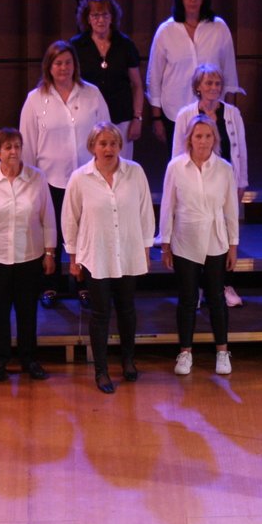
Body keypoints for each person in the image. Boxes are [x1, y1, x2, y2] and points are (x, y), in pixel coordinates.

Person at [63, 122, 156, 394]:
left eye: (113, 143)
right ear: (92, 147)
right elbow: (71, 220)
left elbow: (145, 212)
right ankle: (101, 370)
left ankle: (128, 360)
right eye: (103, 143)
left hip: (127, 251)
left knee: (127, 309)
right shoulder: (80, 178)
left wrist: (146, 250)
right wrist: (73, 258)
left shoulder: (134, 172)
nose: (109, 148)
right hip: (96, 254)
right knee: (100, 313)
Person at [20, 40, 110, 307]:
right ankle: (50, 285)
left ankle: (83, 284)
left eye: (68, 62)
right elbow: (28, 142)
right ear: (49, 66)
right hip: (50, 179)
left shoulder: (91, 93)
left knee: (85, 231)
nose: (63, 68)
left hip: (87, 178)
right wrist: (29, 181)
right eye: (58, 63)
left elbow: (106, 132)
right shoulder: (35, 99)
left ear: (75, 65)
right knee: (53, 234)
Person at [0, 128, 57, 382]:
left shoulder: (36, 177)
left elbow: (48, 218)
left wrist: (50, 252)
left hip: (29, 256)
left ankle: (29, 359)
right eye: (8, 147)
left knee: (28, 311)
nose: (14, 151)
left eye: (17, 146)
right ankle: (0, 359)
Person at [159, 115, 239, 376]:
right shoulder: (176, 167)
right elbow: (168, 206)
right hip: (185, 238)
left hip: (216, 239)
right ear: (189, 139)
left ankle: (222, 351)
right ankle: (184, 352)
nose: (203, 141)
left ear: (214, 138)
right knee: (187, 298)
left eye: (207, 136)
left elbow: (230, 210)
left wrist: (233, 245)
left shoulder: (224, 168)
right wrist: (166, 243)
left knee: (216, 296)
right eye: (198, 136)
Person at [172, 63, 249, 307]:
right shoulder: (186, 114)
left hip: (223, 181)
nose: (213, 88)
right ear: (198, 86)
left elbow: (241, 150)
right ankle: (196, 288)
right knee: (195, 234)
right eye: (208, 83)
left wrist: (241, 181)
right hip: (194, 181)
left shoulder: (232, 113)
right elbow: (177, 151)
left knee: (223, 234)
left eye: (217, 83)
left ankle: (223, 285)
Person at [145, 0, 242, 145]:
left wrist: (230, 113)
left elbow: (229, 73)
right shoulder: (166, 30)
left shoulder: (219, 28)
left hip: (213, 111)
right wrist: (156, 118)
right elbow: (154, 77)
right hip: (174, 111)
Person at [70, 0, 145, 159]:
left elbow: (137, 85)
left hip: (121, 119)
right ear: (88, 19)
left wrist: (137, 118)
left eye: (105, 15)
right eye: (95, 15)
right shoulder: (76, 46)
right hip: (88, 119)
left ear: (112, 17)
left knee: (121, 169)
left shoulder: (125, 44)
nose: (100, 20)